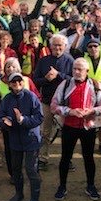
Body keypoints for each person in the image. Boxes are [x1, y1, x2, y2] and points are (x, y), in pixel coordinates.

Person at [51, 58, 101, 201]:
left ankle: (91, 186)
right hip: (69, 126)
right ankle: (62, 186)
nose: (76, 72)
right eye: (74, 69)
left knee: (89, 158)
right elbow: (54, 106)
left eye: (80, 69)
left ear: (87, 71)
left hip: (87, 127)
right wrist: (69, 111)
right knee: (65, 158)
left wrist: (92, 110)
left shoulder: (96, 85)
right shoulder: (65, 84)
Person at [0, 72, 43, 201]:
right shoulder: (7, 99)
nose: (17, 84)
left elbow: (39, 117)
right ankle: (19, 193)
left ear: (23, 82)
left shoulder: (31, 97)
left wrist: (23, 120)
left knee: (31, 169)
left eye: (19, 81)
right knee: (15, 168)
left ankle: (35, 200)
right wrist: (5, 122)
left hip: (30, 139)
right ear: (9, 84)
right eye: (14, 82)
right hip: (15, 139)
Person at [32, 34, 75, 167]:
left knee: (67, 133)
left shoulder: (70, 60)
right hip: (47, 101)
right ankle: (43, 158)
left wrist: (59, 75)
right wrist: (46, 79)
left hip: (65, 103)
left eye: (60, 45)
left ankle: (67, 159)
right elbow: (35, 80)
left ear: (65, 46)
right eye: (55, 45)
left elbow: (75, 81)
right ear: (50, 46)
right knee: (45, 131)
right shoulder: (43, 61)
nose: (57, 47)